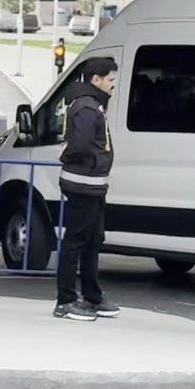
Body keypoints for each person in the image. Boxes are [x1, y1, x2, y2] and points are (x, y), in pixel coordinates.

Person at [53, 57, 121, 322]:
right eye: (111, 79)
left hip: (93, 186)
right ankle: (66, 300)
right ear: (96, 80)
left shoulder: (93, 105)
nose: (114, 84)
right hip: (83, 185)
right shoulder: (87, 108)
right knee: (76, 242)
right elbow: (80, 145)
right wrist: (73, 155)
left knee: (93, 240)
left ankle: (92, 297)